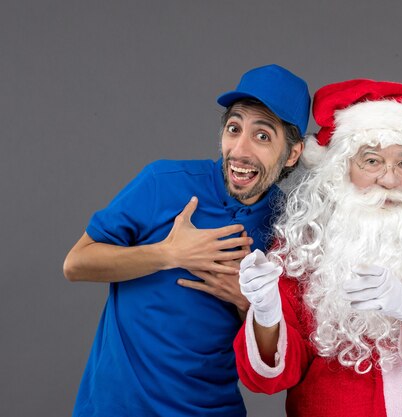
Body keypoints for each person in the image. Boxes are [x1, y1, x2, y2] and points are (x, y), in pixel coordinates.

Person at [234, 79, 402, 417]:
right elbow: (270, 379)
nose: (390, 180)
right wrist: (265, 314)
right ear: (340, 170)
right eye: (372, 161)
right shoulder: (306, 241)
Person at [62, 64, 311, 417]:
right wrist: (170, 253)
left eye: (262, 136)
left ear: (292, 153)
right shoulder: (164, 182)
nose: (239, 150)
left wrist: (248, 304)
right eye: (234, 128)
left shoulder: (288, 225)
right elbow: (76, 263)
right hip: (117, 406)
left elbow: (280, 359)